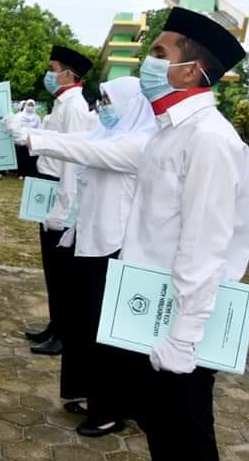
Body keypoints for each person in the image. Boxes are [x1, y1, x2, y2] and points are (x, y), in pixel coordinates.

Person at [114, 7, 249, 459]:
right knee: (164, 437)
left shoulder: (209, 138)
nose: (147, 63)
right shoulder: (171, 131)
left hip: (180, 327)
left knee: (186, 442)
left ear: (190, 70)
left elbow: (205, 246)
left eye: (159, 52)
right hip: (153, 314)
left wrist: (183, 337)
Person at [21, 76, 156, 437]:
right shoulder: (109, 135)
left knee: (106, 335)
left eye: (110, 101)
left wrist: (34, 139)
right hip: (90, 240)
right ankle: (88, 395)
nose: (103, 107)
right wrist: (32, 131)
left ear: (130, 105)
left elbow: (84, 151)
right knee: (84, 326)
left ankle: (110, 410)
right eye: (102, 99)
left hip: (116, 249)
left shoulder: (139, 144)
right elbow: (79, 141)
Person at [19, 45, 97, 355]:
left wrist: (66, 207)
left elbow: (74, 157)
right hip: (47, 184)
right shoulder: (62, 103)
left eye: (53, 69)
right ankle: (54, 325)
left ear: (67, 73)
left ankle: (63, 334)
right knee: (51, 264)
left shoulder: (75, 107)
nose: (49, 75)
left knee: (61, 267)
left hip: (60, 189)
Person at [13, 99, 42, 179]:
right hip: (22, 141)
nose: (30, 107)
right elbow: (16, 127)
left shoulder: (36, 117)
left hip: (33, 140)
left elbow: (39, 128)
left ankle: (31, 173)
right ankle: (21, 173)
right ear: (26, 106)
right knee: (22, 157)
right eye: (29, 105)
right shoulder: (19, 116)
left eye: (32, 105)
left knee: (32, 158)